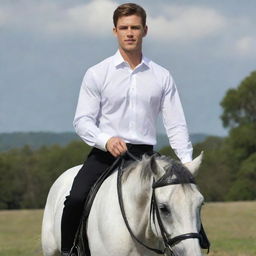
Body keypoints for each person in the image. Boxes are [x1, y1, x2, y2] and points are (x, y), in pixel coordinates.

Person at [61, 3, 193, 255]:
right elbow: (82, 120)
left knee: (182, 200)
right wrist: (105, 139)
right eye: (124, 28)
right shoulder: (97, 73)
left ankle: (191, 247)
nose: (129, 32)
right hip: (105, 153)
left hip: (145, 156)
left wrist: (186, 164)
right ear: (115, 31)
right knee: (76, 197)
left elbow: (175, 123)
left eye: (135, 27)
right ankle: (70, 250)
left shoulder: (161, 76)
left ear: (145, 30)